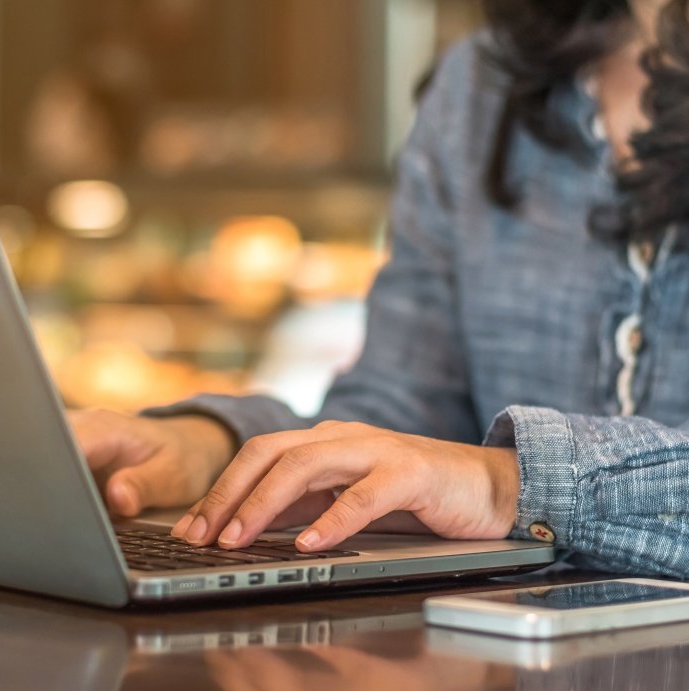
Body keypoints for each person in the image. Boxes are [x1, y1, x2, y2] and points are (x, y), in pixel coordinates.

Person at [71, 0, 689, 578]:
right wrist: (219, 452)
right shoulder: (481, 85)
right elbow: (412, 412)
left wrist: (507, 484)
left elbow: (473, 475)